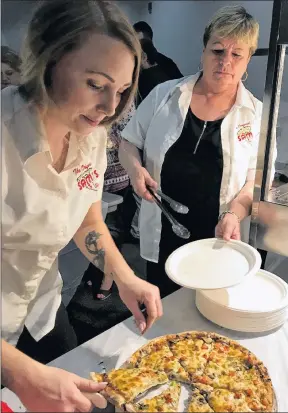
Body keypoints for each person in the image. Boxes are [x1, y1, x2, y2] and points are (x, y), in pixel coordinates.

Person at [1, 1, 162, 412]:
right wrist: (20, 374)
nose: (111, 107)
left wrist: (124, 277)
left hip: (42, 311)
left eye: (122, 91)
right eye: (96, 84)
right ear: (49, 61)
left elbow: (87, 216)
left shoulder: (89, 133)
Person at [120, 6, 276, 298]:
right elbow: (128, 143)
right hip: (164, 230)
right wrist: (135, 170)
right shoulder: (164, 96)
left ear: (247, 61)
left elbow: (256, 180)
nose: (225, 62)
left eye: (236, 55)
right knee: (163, 304)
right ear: (204, 51)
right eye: (217, 51)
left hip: (219, 234)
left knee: (211, 310)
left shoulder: (256, 116)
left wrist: (235, 212)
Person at [83, 101, 136, 300]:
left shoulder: (122, 99)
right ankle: (92, 271)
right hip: (85, 176)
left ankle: (108, 278)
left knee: (111, 231)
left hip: (115, 175)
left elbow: (130, 135)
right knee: (91, 229)